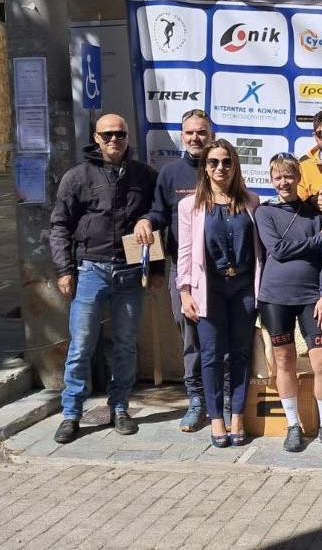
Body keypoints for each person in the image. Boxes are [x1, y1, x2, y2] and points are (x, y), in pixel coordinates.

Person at [50, 113, 157, 444]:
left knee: (125, 344)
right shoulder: (77, 176)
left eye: (120, 134)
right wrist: (64, 270)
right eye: (107, 134)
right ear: (96, 138)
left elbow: (158, 219)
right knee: (81, 345)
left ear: (127, 137)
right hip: (90, 271)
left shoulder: (144, 175)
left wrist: (155, 267)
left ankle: (120, 407)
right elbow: (60, 226)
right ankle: (71, 413)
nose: (114, 139)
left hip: (129, 273)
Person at [255, 153, 322, 453]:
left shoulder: (314, 214)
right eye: (278, 177)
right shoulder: (265, 213)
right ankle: (293, 425)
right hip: (275, 298)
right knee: (284, 361)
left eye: (289, 176)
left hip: (311, 298)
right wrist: (319, 238)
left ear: (298, 178)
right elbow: (279, 250)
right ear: (271, 180)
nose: (284, 182)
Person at [176, 139, 262, 448]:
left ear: (235, 165)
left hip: (243, 288)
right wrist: (184, 291)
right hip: (208, 290)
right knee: (211, 356)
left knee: (240, 353)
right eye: (213, 162)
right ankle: (215, 418)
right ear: (205, 167)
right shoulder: (190, 205)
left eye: (227, 161)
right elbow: (185, 252)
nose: (220, 167)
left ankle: (237, 415)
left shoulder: (251, 201)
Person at [134, 108, 215, 432]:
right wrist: (145, 221)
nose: (195, 138)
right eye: (190, 132)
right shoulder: (170, 174)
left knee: (222, 337)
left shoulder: (222, 167)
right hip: (184, 272)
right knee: (190, 339)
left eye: (201, 132)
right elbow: (158, 213)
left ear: (211, 134)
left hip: (222, 271)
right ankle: (196, 400)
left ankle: (223, 401)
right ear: (183, 136)